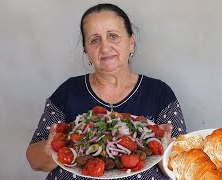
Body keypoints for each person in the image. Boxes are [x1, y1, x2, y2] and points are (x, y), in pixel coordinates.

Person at [26, 3, 187, 180]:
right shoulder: (67, 92)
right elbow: (35, 162)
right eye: (95, 40)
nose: (104, 47)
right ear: (86, 51)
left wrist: (165, 149)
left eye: (113, 36)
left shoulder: (159, 93)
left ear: (131, 42)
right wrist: (50, 150)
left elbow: (180, 170)